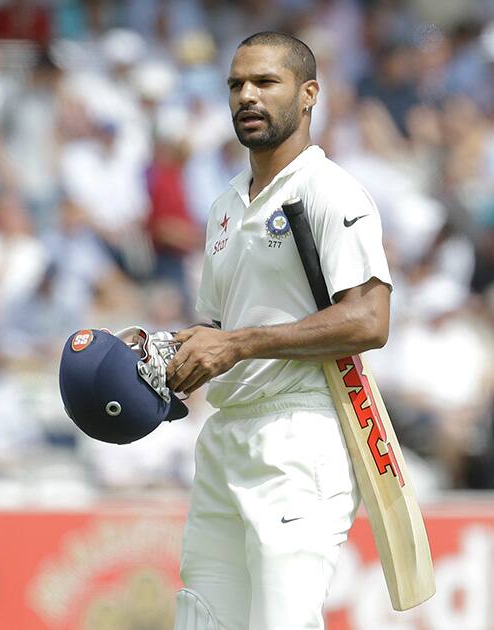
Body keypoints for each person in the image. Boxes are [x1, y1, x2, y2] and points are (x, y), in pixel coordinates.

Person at [166, 31, 392, 630]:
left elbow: (370, 319)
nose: (247, 96)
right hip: (225, 437)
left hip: (300, 434)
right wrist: (164, 355)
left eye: (265, 82)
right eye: (237, 84)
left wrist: (237, 345)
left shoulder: (330, 189)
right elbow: (218, 329)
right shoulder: (223, 205)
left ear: (309, 93)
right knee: (202, 620)